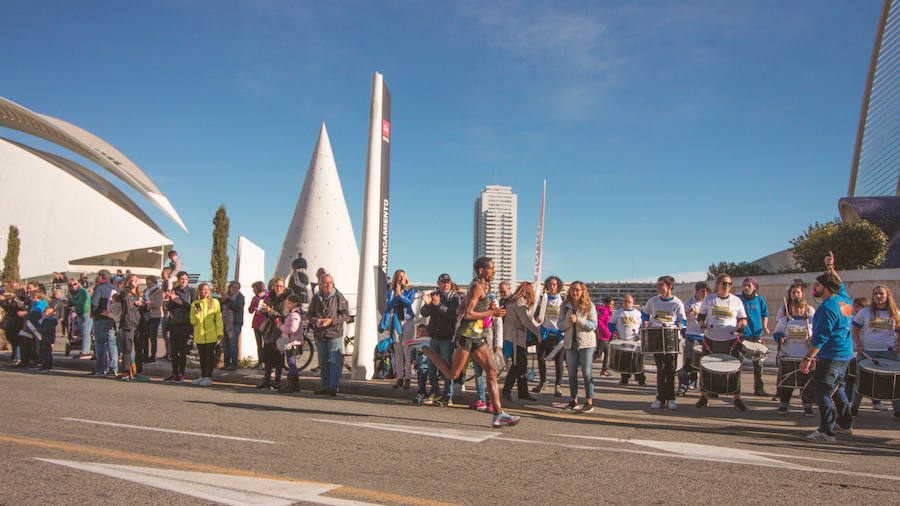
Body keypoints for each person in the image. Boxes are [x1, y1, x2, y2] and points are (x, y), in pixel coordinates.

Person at [423, 257, 520, 427]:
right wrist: (491, 313)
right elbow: (467, 315)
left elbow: (460, 310)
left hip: (477, 336)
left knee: (492, 371)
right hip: (467, 336)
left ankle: (498, 414)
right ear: (482, 271)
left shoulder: (478, 288)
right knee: (453, 374)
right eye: (491, 268)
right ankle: (426, 350)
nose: (494, 271)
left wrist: (485, 308)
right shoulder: (476, 287)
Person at [803, 251, 854, 442]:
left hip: (831, 355)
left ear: (826, 288)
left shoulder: (826, 309)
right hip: (845, 354)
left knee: (822, 391)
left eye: (817, 285)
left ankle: (827, 431)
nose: (814, 288)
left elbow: (820, 339)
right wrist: (830, 267)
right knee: (837, 388)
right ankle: (845, 424)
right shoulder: (844, 300)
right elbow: (839, 283)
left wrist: (807, 358)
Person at [696, 273, 748, 411]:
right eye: (724, 283)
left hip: (731, 341)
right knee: (706, 369)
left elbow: (743, 318)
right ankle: (703, 397)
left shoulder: (736, 301)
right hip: (711, 340)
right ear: (718, 284)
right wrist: (702, 325)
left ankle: (736, 399)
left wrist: (741, 326)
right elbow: (701, 317)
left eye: (729, 284)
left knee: (735, 370)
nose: (727, 286)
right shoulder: (709, 299)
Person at [850, 285, 900, 419]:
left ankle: (897, 410)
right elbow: (855, 328)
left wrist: (898, 344)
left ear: (887, 296)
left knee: (895, 383)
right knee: (861, 381)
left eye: (881, 294)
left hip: (889, 353)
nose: (878, 296)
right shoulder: (866, 312)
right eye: (875, 294)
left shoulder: (895, 312)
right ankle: (854, 407)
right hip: (868, 353)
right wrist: (858, 344)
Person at [643, 276, 686, 410]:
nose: (658, 287)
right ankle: (660, 398)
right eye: (658, 284)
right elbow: (644, 314)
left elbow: (682, 319)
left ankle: (671, 398)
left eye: (661, 284)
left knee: (670, 370)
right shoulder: (653, 301)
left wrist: (679, 324)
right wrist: (645, 322)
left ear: (669, 286)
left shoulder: (677, 303)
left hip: (671, 339)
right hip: (657, 338)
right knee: (660, 370)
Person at [772, 283, 815, 416]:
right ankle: (784, 405)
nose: (798, 311)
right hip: (788, 357)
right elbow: (776, 333)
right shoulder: (784, 321)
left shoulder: (811, 321)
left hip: (805, 358)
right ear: (791, 308)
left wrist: (812, 341)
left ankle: (808, 406)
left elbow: (817, 336)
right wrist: (780, 338)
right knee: (787, 383)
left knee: (807, 385)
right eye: (795, 308)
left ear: (805, 309)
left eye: (800, 308)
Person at [420, 273, 461, 405]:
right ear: (438, 283)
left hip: (447, 338)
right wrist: (427, 305)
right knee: (432, 366)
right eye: (443, 282)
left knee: (447, 368)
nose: (445, 284)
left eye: (447, 282)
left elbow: (453, 315)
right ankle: (435, 392)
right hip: (434, 337)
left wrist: (438, 306)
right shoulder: (433, 295)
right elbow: (424, 313)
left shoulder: (454, 297)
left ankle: (448, 396)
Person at [308, 274, 351, 396]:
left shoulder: (338, 296)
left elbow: (345, 314)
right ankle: (324, 386)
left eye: (330, 282)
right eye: (325, 283)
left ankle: (333, 387)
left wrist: (331, 321)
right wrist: (315, 321)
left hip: (334, 333)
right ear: (320, 284)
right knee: (323, 361)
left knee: (334, 361)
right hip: (320, 333)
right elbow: (309, 314)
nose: (328, 285)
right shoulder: (316, 297)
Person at [562, 281, 599, 412]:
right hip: (570, 344)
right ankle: (573, 399)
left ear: (583, 291)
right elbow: (560, 325)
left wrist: (578, 320)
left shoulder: (589, 306)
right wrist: (568, 321)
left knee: (586, 373)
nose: (574, 292)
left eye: (577, 290)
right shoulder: (565, 306)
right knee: (572, 373)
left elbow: (594, 325)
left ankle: (589, 401)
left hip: (586, 344)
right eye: (572, 289)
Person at [501, 282, 541, 402]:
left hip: (516, 338)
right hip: (515, 339)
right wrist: (537, 333)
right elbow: (525, 321)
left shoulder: (516, 301)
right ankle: (506, 391)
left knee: (522, 365)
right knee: (517, 365)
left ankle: (523, 392)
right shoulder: (519, 302)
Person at [381, 270, 416, 390]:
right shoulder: (391, 291)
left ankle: (408, 378)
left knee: (407, 349)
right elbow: (389, 306)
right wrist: (395, 296)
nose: (401, 278)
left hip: (408, 321)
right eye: (399, 276)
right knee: (397, 350)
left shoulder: (410, 290)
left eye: (403, 276)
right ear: (396, 278)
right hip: (397, 321)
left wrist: (400, 295)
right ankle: (399, 377)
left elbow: (409, 302)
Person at [532, 275, 565, 397]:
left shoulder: (562, 300)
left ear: (558, 286)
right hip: (544, 333)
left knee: (559, 362)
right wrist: (537, 318)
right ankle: (543, 382)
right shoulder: (543, 299)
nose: (552, 286)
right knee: (540, 359)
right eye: (550, 284)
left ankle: (558, 386)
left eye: (554, 284)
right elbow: (536, 315)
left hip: (558, 334)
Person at [739, 277, 770, 396]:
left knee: (758, 363)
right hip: (743, 335)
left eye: (749, 286)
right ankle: (735, 388)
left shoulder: (759, 299)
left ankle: (759, 388)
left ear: (754, 287)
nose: (746, 288)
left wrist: (765, 326)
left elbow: (765, 314)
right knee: (738, 362)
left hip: (756, 335)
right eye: (744, 285)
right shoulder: (738, 299)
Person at [164, 271, 196, 383]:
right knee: (173, 351)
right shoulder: (174, 290)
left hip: (185, 324)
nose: (183, 281)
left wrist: (178, 300)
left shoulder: (191, 291)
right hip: (174, 324)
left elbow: (192, 307)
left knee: (182, 351)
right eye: (181, 279)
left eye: (185, 279)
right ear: (178, 280)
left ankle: (181, 373)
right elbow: (169, 307)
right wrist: (170, 299)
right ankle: (174, 372)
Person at [257, 278, 288, 389]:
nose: (278, 288)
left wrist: (270, 310)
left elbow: (283, 315)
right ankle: (266, 380)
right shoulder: (270, 298)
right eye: (276, 286)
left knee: (278, 357)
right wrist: (263, 310)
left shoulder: (285, 300)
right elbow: (267, 313)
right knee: (268, 356)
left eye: (280, 286)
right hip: (269, 330)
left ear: (284, 288)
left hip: (279, 331)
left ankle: (277, 381)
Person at [190, 282, 223, 386]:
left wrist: (220, 332)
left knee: (210, 356)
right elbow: (193, 321)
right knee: (202, 357)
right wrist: (196, 314)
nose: (205, 292)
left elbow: (218, 318)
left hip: (211, 334)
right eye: (203, 289)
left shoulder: (214, 302)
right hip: (200, 334)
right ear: (199, 291)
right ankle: (203, 375)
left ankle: (209, 377)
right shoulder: (195, 303)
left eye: (207, 289)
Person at [679, 282, 710, 395]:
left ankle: (705, 386)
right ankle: (683, 385)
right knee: (688, 361)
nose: (704, 294)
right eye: (702, 291)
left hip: (705, 337)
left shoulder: (709, 303)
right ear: (697, 291)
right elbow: (683, 318)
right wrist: (688, 313)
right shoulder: (689, 302)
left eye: (707, 292)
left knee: (705, 363)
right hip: (692, 335)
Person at [610, 294, 645, 386]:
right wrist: (614, 331)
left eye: (629, 301)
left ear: (633, 303)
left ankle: (641, 380)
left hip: (635, 340)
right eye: (625, 301)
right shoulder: (617, 313)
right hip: (623, 340)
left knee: (637, 361)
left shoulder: (638, 314)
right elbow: (611, 324)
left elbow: (641, 326)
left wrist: (640, 334)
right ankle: (624, 379)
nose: (627, 303)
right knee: (624, 361)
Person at [90, 270, 119, 377]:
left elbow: (94, 302)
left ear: (100, 277)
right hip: (111, 318)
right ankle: (113, 367)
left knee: (100, 343)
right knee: (112, 343)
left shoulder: (99, 288)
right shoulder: (115, 288)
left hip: (100, 317)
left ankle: (101, 367)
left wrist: (94, 313)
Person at [278, 293, 305, 393]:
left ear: (295, 303)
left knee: (291, 363)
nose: (287, 306)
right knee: (291, 362)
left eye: (289, 303)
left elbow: (293, 329)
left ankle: (292, 385)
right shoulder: (297, 313)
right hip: (293, 341)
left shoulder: (294, 314)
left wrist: (281, 326)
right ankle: (294, 384)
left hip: (292, 342)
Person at [846, 297, 870, 406]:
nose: (855, 308)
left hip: (865, 352)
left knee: (867, 378)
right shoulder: (849, 319)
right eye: (854, 306)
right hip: (852, 353)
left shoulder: (867, 318)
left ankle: (876, 401)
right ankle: (848, 400)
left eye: (858, 306)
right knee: (851, 378)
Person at [118, 275, 142, 381]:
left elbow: (146, 307)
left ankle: (138, 371)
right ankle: (126, 371)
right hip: (128, 323)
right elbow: (125, 299)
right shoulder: (125, 293)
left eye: (136, 280)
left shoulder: (139, 294)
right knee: (127, 349)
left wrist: (143, 304)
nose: (134, 282)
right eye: (132, 280)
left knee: (139, 349)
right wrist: (129, 288)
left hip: (138, 323)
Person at [223, 281, 245, 371]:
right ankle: (226, 364)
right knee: (225, 345)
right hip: (225, 323)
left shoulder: (239, 297)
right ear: (230, 287)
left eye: (237, 287)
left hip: (235, 323)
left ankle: (234, 364)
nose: (235, 289)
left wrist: (228, 300)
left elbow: (237, 307)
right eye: (233, 287)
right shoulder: (226, 296)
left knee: (233, 344)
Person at [68, 278, 93, 359]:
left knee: (86, 332)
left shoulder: (82, 291)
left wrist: (72, 300)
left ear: (78, 284)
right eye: (71, 285)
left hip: (86, 312)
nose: (73, 286)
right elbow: (70, 304)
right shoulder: (75, 293)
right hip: (80, 314)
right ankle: (84, 350)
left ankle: (86, 352)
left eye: (74, 284)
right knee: (83, 332)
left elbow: (81, 302)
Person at [142, 275, 164, 364]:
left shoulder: (158, 292)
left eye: (149, 283)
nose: (147, 285)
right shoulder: (145, 291)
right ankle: (145, 355)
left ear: (154, 283)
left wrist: (148, 303)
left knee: (153, 336)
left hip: (155, 316)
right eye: (146, 283)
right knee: (145, 336)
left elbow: (158, 303)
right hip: (146, 316)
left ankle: (153, 355)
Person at [248, 281, 268, 369]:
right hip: (256, 324)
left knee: (266, 344)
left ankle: (267, 362)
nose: (253, 291)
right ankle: (260, 362)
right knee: (259, 344)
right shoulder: (255, 298)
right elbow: (250, 310)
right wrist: (253, 302)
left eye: (254, 289)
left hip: (265, 323)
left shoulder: (267, 296)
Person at [595, 297, 614, 376]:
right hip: (603, 336)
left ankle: (604, 370)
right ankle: (580, 363)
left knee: (606, 353)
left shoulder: (608, 312)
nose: (611, 306)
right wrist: (606, 331)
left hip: (606, 336)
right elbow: (599, 322)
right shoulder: (604, 311)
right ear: (606, 303)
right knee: (598, 354)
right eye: (610, 304)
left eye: (612, 304)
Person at [37, 306, 57, 372]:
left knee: (47, 354)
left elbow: (49, 331)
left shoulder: (50, 321)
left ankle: (47, 366)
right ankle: (44, 365)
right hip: (44, 338)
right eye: (44, 312)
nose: (45, 313)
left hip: (48, 339)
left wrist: (52, 342)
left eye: (46, 312)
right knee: (43, 352)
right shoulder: (45, 320)